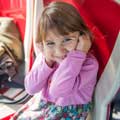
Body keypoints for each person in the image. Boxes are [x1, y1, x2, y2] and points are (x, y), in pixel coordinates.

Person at [11, 1, 99, 120]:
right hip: (43, 104)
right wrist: (47, 62)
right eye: (50, 43)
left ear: (82, 37)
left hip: (68, 111)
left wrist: (77, 56)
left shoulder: (89, 64)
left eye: (67, 40)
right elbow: (31, 88)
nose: (59, 51)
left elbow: (58, 91)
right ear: (42, 44)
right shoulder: (46, 57)